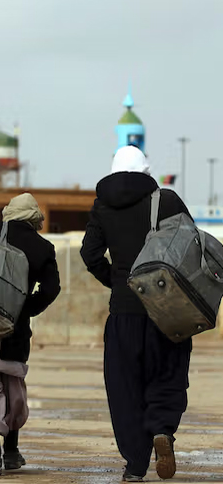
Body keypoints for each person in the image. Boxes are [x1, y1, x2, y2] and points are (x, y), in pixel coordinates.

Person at [81, 145, 191, 482]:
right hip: (168, 310)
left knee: (124, 385)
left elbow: (90, 254)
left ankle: (134, 465)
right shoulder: (167, 201)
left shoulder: (102, 206)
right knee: (168, 375)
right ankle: (161, 429)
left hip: (124, 310)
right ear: (146, 171)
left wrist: (116, 281)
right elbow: (191, 244)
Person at [0, 193, 61, 476]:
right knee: (12, 387)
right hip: (14, 332)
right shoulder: (42, 246)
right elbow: (51, 289)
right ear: (33, 219)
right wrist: (23, 309)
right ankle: (12, 451)